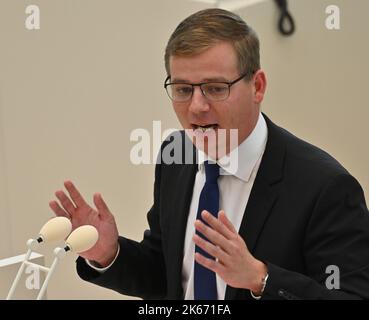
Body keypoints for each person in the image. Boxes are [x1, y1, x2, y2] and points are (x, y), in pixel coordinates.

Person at [49, 8, 369, 300]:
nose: (197, 107)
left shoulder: (325, 186)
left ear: (257, 86)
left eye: (216, 88)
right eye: (183, 90)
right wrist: (110, 254)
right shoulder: (176, 155)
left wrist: (262, 279)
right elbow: (169, 273)